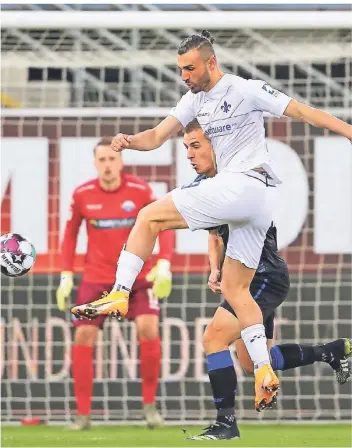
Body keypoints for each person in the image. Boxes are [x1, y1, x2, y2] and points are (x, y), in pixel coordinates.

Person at [71, 30, 352, 417]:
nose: (184, 75)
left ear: (210, 62)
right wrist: (128, 141)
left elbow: (303, 111)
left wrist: (349, 131)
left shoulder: (245, 89)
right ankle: (265, 369)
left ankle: (120, 290)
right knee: (238, 290)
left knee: (147, 217)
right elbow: (155, 136)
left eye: (190, 67)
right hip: (257, 205)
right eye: (180, 69)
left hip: (243, 184)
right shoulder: (193, 101)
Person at [182, 119, 352, 440]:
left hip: (261, 276)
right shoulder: (207, 186)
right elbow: (215, 236)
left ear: (216, 145)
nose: (189, 155)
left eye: (195, 145)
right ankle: (332, 351)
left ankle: (226, 423)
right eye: (186, 148)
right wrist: (215, 268)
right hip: (250, 277)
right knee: (253, 362)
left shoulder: (239, 181)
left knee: (213, 338)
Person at [57, 137, 175, 429]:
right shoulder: (82, 194)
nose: (107, 165)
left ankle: (150, 408)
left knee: (148, 328)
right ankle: (83, 415)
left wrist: (164, 262)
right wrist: (65, 274)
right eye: (102, 160)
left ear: (121, 162)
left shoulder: (139, 190)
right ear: (95, 163)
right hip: (96, 279)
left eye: (112, 159)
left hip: (137, 277)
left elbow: (165, 223)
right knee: (84, 336)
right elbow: (70, 235)